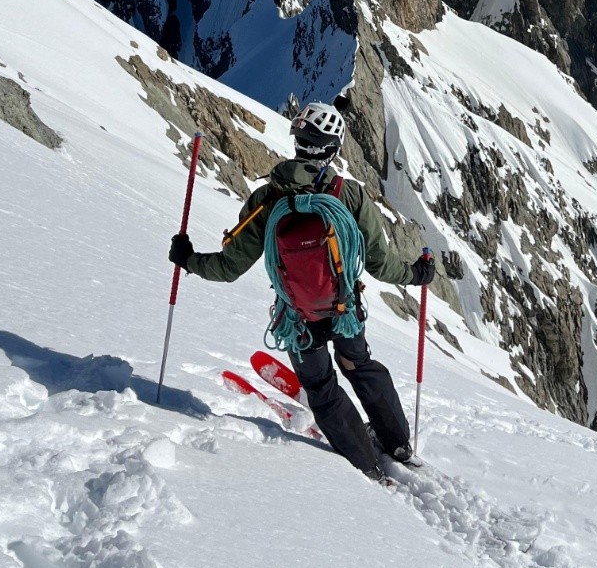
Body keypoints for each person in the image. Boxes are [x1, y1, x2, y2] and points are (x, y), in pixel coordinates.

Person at [169, 100, 436, 481]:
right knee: (360, 367)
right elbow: (380, 264)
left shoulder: (267, 200)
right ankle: (397, 444)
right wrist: (417, 274)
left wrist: (188, 258)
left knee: (320, 387)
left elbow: (229, 268)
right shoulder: (350, 195)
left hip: (296, 318)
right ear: (333, 148)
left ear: (297, 141)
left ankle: (365, 463)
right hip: (345, 313)